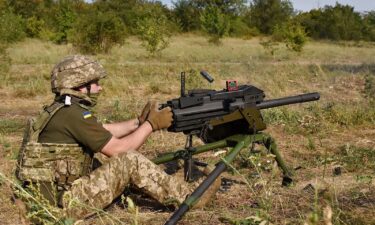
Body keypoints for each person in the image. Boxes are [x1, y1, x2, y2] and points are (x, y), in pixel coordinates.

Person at [16, 55, 219, 220]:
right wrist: (152, 125)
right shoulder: (74, 114)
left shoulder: (62, 110)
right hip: (62, 207)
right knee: (128, 161)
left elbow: (102, 130)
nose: (99, 87)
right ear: (79, 85)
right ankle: (190, 198)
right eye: (95, 83)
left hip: (44, 200)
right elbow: (119, 150)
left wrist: (138, 122)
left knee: (97, 163)